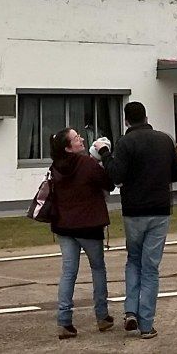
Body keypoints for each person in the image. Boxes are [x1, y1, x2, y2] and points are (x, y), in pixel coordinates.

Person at [99, 101, 177, 339]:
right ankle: (146, 324)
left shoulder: (125, 143)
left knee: (133, 260)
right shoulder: (164, 140)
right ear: (146, 117)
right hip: (160, 209)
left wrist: (106, 154)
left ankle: (130, 311)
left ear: (126, 120)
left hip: (134, 210)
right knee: (151, 268)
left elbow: (116, 176)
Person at [47, 127, 115, 339]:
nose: (82, 140)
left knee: (69, 272)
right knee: (97, 268)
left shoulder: (55, 167)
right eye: (77, 138)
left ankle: (64, 320)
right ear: (69, 147)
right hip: (88, 225)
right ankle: (102, 316)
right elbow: (108, 184)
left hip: (64, 226)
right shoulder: (87, 163)